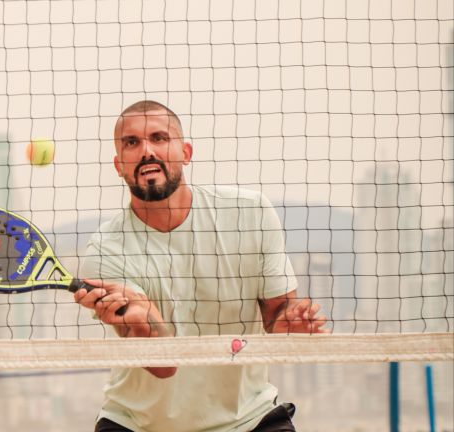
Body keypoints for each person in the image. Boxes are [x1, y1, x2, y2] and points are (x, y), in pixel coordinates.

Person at [74, 100, 327, 432]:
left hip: (249, 420)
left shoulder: (251, 214)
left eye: (159, 137)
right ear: (119, 164)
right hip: (139, 424)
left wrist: (291, 322)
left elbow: (276, 317)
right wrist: (144, 318)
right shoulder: (105, 248)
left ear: (186, 152)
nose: (147, 150)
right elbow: (164, 367)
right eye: (132, 142)